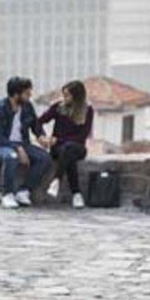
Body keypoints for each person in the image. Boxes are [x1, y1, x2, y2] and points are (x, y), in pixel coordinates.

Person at [0, 76, 51, 209]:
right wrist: (18, 148)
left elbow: (35, 125)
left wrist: (41, 137)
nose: (30, 95)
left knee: (44, 158)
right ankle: (7, 195)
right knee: (11, 157)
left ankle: (24, 191)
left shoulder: (27, 107)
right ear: (16, 94)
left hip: (22, 144)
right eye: (27, 93)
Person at [35, 79, 94, 209]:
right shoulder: (58, 107)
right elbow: (38, 121)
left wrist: (59, 140)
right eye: (64, 94)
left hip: (78, 148)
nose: (64, 97)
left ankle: (56, 180)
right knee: (68, 156)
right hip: (59, 149)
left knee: (69, 149)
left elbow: (82, 136)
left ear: (77, 96)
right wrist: (41, 136)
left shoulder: (87, 110)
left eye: (67, 95)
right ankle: (76, 194)